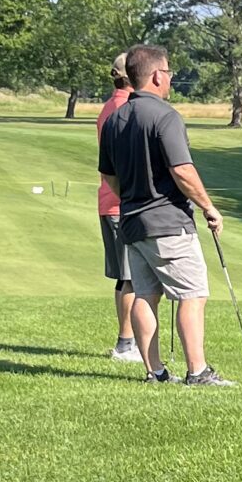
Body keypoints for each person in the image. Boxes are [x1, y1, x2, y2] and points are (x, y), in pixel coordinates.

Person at [96, 43, 234, 387]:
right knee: (192, 294)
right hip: (168, 222)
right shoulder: (165, 116)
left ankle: (155, 372)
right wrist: (209, 207)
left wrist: (133, 197)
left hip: (132, 222)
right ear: (157, 76)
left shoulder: (114, 119)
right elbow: (182, 170)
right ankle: (197, 371)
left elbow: (109, 176)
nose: (170, 78)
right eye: (169, 72)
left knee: (145, 294)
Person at [94, 54, 140, 362]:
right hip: (120, 203)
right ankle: (125, 343)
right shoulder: (123, 109)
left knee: (128, 277)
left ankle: (129, 341)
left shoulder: (112, 105)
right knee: (130, 277)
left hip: (113, 203)